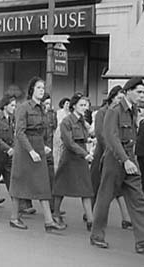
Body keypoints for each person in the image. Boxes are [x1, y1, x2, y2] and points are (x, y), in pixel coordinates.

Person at [90, 77, 144, 253]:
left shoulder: (133, 110)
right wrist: (124, 160)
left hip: (130, 159)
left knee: (138, 198)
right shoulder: (115, 111)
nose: (142, 95)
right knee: (104, 199)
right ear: (128, 91)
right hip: (115, 160)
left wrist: (130, 159)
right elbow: (111, 137)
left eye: (143, 92)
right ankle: (97, 236)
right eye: (139, 92)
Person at [9, 77, 65, 232]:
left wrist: (44, 146)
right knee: (19, 182)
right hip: (25, 149)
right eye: (39, 88)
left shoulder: (42, 108)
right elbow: (19, 132)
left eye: (43, 88)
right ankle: (14, 218)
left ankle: (49, 221)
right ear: (32, 89)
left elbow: (44, 130)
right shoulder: (23, 107)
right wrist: (31, 150)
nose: (42, 90)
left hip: (38, 147)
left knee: (43, 184)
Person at [90, 85, 132, 229]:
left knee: (118, 188)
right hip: (103, 153)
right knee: (97, 187)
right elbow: (101, 134)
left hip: (117, 155)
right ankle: (91, 215)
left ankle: (126, 218)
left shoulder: (123, 113)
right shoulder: (103, 112)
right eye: (119, 98)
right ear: (112, 97)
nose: (121, 101)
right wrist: (112, 148)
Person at [52, 93, 94, 230]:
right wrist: (85, 154)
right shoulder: (66, 121)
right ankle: (56, 214)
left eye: (86, 105)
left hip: (81, 158)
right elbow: (69, 142)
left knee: (86, 189)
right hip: (70, 158)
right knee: (61, 187)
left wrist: (90, 140)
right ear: (74, 106)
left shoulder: (82, 121)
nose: (84, 108)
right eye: (82, 105)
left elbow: (84, 137)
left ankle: (91, 220)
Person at [53, 97, 71, 169]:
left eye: (69, 103)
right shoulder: (59, 112)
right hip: (59, 131)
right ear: (63, 104)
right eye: (66, 103)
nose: (68, 105)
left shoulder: (70, 113)